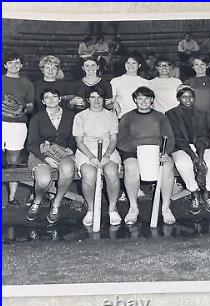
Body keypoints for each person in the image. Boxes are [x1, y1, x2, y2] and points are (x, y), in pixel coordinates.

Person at [117, 86, 176, 225]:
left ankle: (166, 207)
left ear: (152, 100)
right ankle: (133, 207)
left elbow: (170, 138)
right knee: (131, 167)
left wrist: (165, 153)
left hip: (156, 152)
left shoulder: (161, 117)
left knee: (168, 166)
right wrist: (139, 152)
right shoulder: (127, 117)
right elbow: (121, 141)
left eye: (147, 98)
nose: (143, 101)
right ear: (135, 100)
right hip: (134, 152)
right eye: (140, 98)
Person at [168, 85, 210, 215]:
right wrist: (193, 157)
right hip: (181, 147)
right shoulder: (171, 114)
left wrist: (200, 155)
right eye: (184, 97)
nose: (188, 100)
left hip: (201, 146)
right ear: (178, 98)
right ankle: (194, 193)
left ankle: (206, 192)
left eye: (191, 97)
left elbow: (204, 136)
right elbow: (177, 138)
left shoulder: (202, 113)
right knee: (183, 164)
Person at [73, 86, 122, 227]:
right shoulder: (80, 117)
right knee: (89, 176)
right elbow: (79, 141)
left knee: (111, 173)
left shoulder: (111, 116)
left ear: (104, 99)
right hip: (86, 151)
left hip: (108, 150)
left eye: (99, 97)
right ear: (88, 99)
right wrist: (91, 157)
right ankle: (90, 209)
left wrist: (107, 155)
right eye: (93, 97)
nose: (96, 100)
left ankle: (112, 209)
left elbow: (113, 140)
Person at [26, 88, 76, 223]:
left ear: (60, 99)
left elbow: (74, 138)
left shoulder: (70, 116)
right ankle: (37, 200)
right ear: (43, 101)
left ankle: (56, 203)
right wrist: (46, 158)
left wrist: (71, 148)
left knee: (68, 169)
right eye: (47, 97)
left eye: (54, 96)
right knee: (43, 180)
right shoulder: (37, 118)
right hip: (40, 154)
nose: (51, 99)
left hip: (62, 154)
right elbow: (31, 144)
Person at [2, 52, 35, 206]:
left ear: (22, 65)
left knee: (13, 161)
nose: (14, 66)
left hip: (18, 124)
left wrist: (21, 110)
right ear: (4, 65)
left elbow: (30, 106)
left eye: (17, 63)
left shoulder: (27, 83)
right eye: (10, 63)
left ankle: (12, 197)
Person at [111, 53, 149, 119]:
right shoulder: (116, 81)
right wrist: (114, 103)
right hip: (122, 117)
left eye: (134, 63)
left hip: (141, 118)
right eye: (128, 63)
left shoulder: (145, 82)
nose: (130, 65)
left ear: (139, 65)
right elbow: (109, 101)